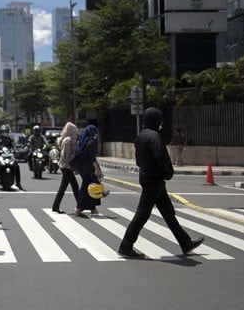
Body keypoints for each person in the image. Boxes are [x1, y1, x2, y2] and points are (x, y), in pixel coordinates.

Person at [117, 107, 204, 259]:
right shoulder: (154, 136)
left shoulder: (141, 136)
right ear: (156, 120)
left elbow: (138, 160)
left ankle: (185, 242)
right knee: (142, 214)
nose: (162, 123)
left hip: (147, 177)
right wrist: (168, 172)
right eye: (160, 120)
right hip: (154, 179)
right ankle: (126, 245)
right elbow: (161, 156)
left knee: (168, 212)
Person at [73, 124, 102, 218]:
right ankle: (78, 208)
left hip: (82, 167)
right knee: (86, 187)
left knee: (90, 186)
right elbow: (92, 157)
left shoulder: (82, 141)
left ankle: (92, 208)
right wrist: (97, 169)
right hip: (88, 168)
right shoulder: (91, 142)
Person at [51, 122, 79, 214]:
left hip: (66, 166)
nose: (76, 132)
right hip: (67, 166)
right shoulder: (68, 140)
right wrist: (75, 156)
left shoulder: (68, 139)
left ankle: (80, 205)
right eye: (75, 130)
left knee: (74, 186)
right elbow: (66, 155)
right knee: (64, 187)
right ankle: (55, 206)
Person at [0, 125, 24, 190]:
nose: (4, 133)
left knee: (16, 166)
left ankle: (18, 183)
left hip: (9, 155)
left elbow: (14, 145)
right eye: (3, 132)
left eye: (5, 132)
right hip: (1, 155)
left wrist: (15, 150)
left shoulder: (10, 139)